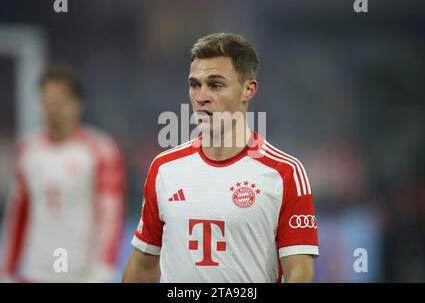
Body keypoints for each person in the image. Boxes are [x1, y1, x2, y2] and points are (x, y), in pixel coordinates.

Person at [122, 33, 318, 283]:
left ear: (248, 89)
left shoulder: (285, 172)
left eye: (215, 85)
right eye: (195, 84)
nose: (201, 96)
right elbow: (142, 267)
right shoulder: (164, 168)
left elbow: (299, 271)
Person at [0, 65, 126, 282]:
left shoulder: (100, 149)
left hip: (81, 274)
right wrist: (8, 270)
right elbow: (17, 213)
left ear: (78, 104)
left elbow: (111, 213)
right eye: (47, 101)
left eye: (59, 101)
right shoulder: (28, 150)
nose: (52, 108)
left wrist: (103, 267)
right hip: (36, 272)